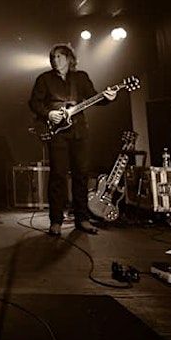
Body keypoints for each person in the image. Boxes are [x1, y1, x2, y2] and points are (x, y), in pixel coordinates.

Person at [28, 44, 117, 236]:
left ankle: (82, 219)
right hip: (57, 133)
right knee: (58, 175)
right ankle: (56, 221)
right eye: (52, 57)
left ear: (69, 58)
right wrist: (49, 113)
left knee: (81, 175)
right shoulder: (44, 79)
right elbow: (34, 103)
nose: (55, 60)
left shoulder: (81, 78)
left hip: (79, 132)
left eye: (59, 56)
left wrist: (109, 97)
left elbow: (95, 98)